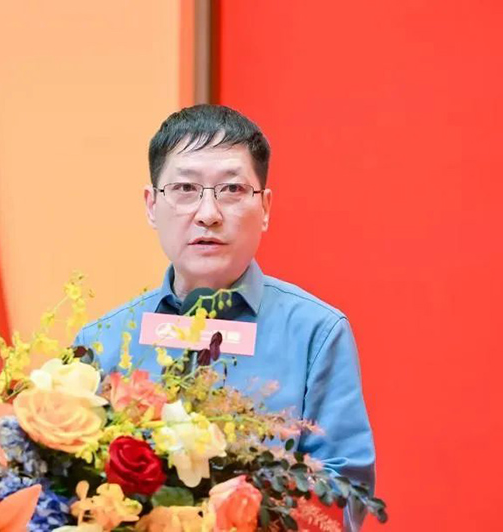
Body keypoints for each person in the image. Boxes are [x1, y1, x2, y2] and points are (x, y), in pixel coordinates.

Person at [74, 104, 375, 530]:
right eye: (185, 188)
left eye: (232, 189)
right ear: (151, 205)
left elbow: (344, 493)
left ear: (265, 207)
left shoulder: (317, 334)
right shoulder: (101, 342)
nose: (208, 213)